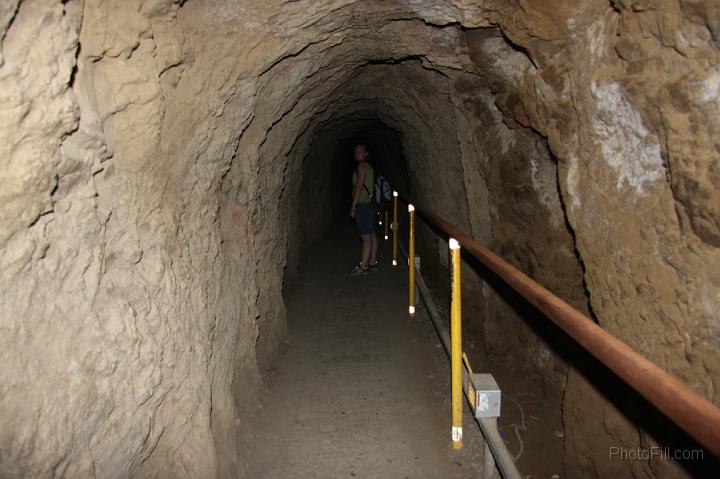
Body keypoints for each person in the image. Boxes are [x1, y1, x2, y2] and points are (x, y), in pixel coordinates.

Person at [349, 144, 379, 275]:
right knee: (371, 233)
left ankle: (364, 266)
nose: (357, 153)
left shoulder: (362, 166)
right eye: (356, 151)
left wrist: (353, 206)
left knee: (365, 237)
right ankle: (372, 262)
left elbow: (360, 186)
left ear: (366, 153)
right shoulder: (370, 167)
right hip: (369, 205)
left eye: (360, 151)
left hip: (363, 205)